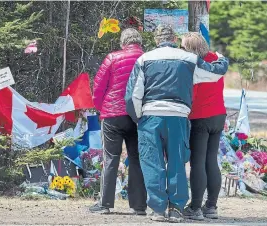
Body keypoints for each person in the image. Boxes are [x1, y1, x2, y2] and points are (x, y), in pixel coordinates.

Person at [125, 25, 229, 223]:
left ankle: (158, 209)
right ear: (173, 39)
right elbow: (215, 72)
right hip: (178, 117)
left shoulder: (144, 59)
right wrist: (222, 58)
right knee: (177, 163)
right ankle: (176, 209)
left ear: (156, 40)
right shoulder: (188, 59)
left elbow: (132, 95)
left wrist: (139, 117)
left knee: (152, 163)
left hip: (151, 117)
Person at [89, 28, 147, 214]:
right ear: (139, 42)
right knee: (137, 159)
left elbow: (98, 87)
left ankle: (105, 204)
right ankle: (138, 206)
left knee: (111, 158)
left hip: (112, 114)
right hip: (138, 115)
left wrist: (101, 107)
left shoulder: (112, 58)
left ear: (123, 43)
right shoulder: (147, 58)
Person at [181, 32, 226, 220]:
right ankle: (212, 206)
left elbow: (193, 93)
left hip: (200, 117)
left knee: (197, 162)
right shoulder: (217, 60)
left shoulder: (195, 65)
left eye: (183, 47)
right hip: (219, 115)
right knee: (211, 160)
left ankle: (195, 208)